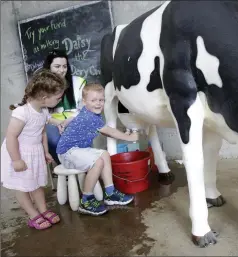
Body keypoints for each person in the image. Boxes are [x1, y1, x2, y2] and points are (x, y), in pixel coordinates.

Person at [56, 83, 139, 216]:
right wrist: (129, 137)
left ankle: (110, 193)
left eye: (101, 100)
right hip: (67, 153)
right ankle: (86, 200)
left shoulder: (88, 112)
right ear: (84, 101)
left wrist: (66, 122)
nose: (98, 103)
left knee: (105, 154)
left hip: (76, 150)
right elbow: (110, 132)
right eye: (93, 100)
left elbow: (101, 129)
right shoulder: (90, 117)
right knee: (98, 162)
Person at [1, 69, 68, 230]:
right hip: (19, 153)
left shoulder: (43, 110)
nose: (60, 100)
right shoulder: (22, 112)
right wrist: (16, 160)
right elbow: (11, 137)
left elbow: (42, 131)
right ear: (44, 98)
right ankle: (33, 214)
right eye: (58, 98)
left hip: (35, 152)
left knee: (37, 184)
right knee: (23, 187)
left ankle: (43, 210)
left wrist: (45, 151)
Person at [41, 49, 87, 165]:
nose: (62, 70)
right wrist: (57, 122)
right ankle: (67, 168)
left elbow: (86, 109)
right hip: (51, 122)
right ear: (49, 67)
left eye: (64, 66)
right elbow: (40, 113)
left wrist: (69, 121)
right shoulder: (41, 86)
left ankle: (82, 168)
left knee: (81, 137)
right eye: (57, 66)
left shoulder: (79, 82)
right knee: (56, 139)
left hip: (75, 120)